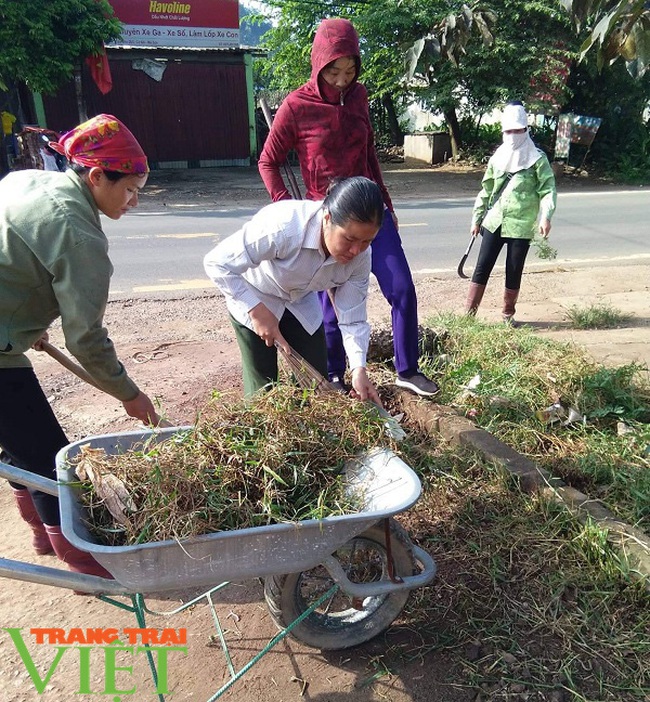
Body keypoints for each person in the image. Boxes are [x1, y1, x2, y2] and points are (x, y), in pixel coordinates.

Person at [0, 113, 161, 582]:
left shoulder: (29, 180)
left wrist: (22, 319)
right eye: (128, 189)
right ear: (95, 176)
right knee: (54, 457)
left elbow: (16, 256)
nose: (132, 202)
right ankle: (83, 564)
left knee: (20, 441)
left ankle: (38, 531)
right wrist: (130, 394)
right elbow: (86, 338)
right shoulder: (81, 235)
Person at [258, 18, 439, 398]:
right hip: (329, 218)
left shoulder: (359, 97)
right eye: (334, 71)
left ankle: (407, 368)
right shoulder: (296, 106)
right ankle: (335, 374)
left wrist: (387, 204)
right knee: (330, 306)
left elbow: (370, 153)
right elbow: (268, 161)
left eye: (350, 70)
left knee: (401, 286)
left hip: (372, 209)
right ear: (319, 64)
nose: (342, 80)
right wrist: (286, 208)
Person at [204, 176, 383, 406]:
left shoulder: (360, 258)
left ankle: (307, 437)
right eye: (349, 239)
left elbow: (353, 318)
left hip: (300, 302)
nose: (355, 250)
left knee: (315, 387)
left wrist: (359, 369)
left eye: (366, 241)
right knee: (263, 393)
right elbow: (217, 263)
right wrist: (256, 310)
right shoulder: (284, 227)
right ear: (327, 218)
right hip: (254, 294)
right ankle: (261, 434)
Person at [465, 102, 557, 324]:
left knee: (513, 271)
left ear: (526, 130)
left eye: (518, 130)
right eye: (509, 131)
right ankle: (468, 317)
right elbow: (486, 190)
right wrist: (477, 218)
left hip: (522, 225)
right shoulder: (498, 158)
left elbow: (548, 189)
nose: (513, 135)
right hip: (494, 221)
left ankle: (508, 315)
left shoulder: (537, 159)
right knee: (482, 267)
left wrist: (546, 216)